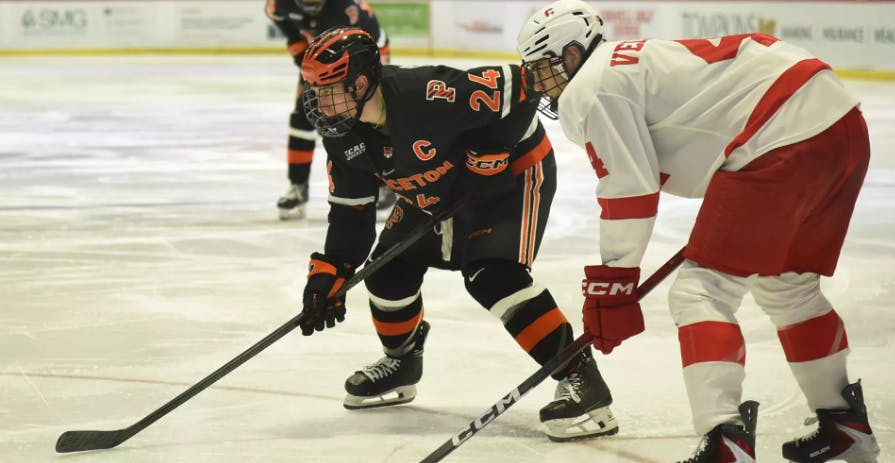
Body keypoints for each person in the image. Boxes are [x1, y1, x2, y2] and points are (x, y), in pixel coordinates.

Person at [516, 1, 880, 461]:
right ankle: (843, 423)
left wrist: (613, 282)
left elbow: (630, 190)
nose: (539, 84)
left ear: (571, 54)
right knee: (788, 285)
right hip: (838, 125)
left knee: (700, 292)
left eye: (542, 68)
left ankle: (724, 440)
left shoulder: (594, 86)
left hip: (779, 132)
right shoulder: (626, 64)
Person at [295, 26, 620, 442]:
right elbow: (351, 215)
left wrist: (491, 151)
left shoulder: (429, 93)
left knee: (492, 275)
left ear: (360, 83)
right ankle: (402, 361)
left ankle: (581, 378)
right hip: (436, 190)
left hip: (513, 178)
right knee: (386, 270)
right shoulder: (344, 137)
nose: (319, 103)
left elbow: (525, 85)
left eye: (327, 90)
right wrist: (332, 269)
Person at [265, 0, 395, 219]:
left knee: (364, 115)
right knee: (303, 116)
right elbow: (279, 18)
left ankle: (386, 181)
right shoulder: (280, 4)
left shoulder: (343, 9)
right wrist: (297, 48)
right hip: (322, 52)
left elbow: (348, 55)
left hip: (365, 52)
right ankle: (298, 185)